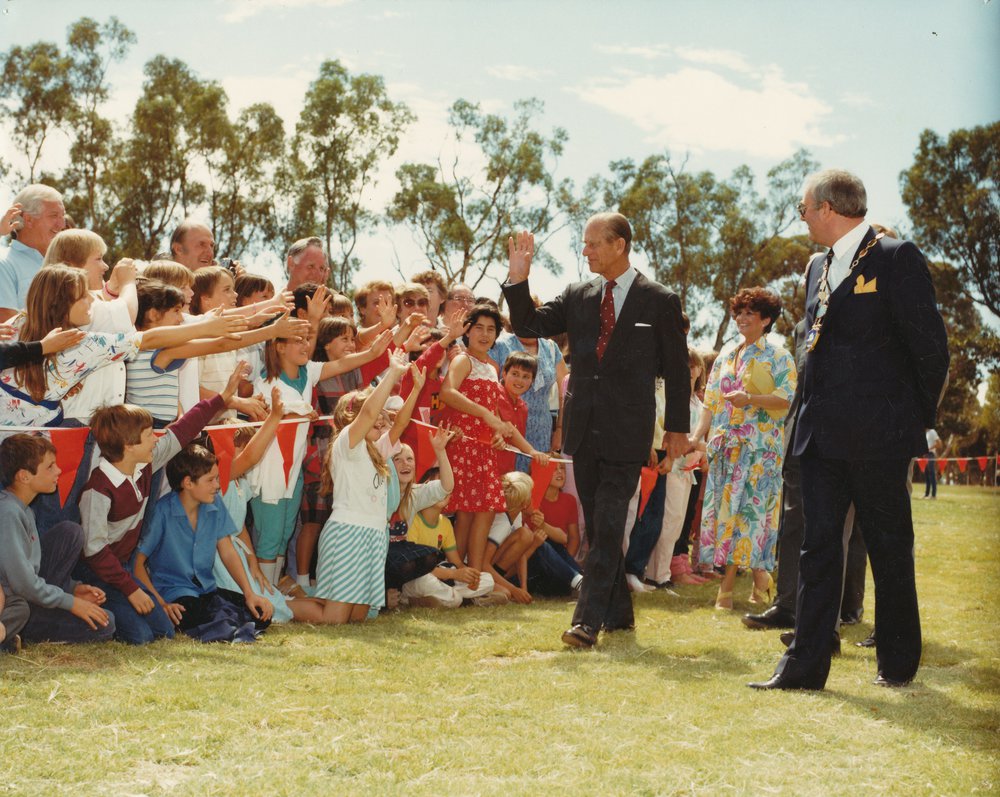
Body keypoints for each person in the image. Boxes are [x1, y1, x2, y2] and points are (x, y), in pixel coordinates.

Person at [749, 169, 949, 691]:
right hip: (819, 435)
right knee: (817, 550)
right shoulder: (817, 266)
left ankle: (898, 663)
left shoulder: (895, 257)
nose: (802, 219)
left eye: (803, 210)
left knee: (888, 548)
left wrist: (917, 422)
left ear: (828, 208)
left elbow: (931, 350)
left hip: (880, 437)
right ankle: (804, 666)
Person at [502, 214, 690, 648]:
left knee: (606, 526)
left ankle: (586, 621)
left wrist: (676, 430)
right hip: (582, 429)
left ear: (619, 244)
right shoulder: (577, 295)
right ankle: (620, 614)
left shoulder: (659, 299)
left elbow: (678, 371)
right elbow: (529, 325)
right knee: (601, 529)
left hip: (628, 432)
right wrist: (517, 279)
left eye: (592, 244)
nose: (584, 251)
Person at [76, 369, 240, 644]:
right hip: (97, 573)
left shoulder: (145, 465)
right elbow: (95, 552)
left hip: (123, 570)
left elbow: (183, 430)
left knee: (163, 630)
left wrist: (222, 399)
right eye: (149, 434)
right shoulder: (98, 490)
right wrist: (131, 590)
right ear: (129, 446)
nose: (156, 438)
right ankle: (87, 604)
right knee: (140, 637)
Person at [693, 287, 796, 610]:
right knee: (726, 516)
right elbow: (710, 401)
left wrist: (751, 399)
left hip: (760, 451)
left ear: (766, 320)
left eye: (750, 313)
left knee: (750, 516)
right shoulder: (725, 355)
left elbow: (787, 398)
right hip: (726, 449)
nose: (741, 318)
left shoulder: (779, 356)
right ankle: (760, 578)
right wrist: (698, 438)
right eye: (739, 312)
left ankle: (729, 585)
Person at [439, 304, 549, 573]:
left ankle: (474, 574)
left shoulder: (491, 367)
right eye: (479, 328)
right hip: (465, 446)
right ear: (467, 330)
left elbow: (506, 424)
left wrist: (531, 450)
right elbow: (447, 392)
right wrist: (485, 416)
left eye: (491, 329)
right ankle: (463, 575)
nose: (485, 334)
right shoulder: (462, 360)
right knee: (466, 514)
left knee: (484, 510)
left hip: (485, 449)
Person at [136, 443, 274, 642]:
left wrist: (249, 593)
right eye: (210, 480)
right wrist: (161, 604)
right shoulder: (162, 511)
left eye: (216, 478)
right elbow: (137, 562)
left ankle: (225, 623)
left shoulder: (215, 504)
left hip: (206, 591)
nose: (217, 485)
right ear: (188, 483)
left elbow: (227, 552)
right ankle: (224, 624)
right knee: (192, 611)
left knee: (259, 612)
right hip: (175, 594)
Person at [0, 434, 114, 645]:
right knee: (106, 624)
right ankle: (19, 632)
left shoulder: (23, 510)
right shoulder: (8, 512)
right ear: (24, 476)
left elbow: (35, 570)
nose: (59, 471)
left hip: (30, 598)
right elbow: (22, 583)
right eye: (50, 467)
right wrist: (71, 603)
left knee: (71, 532)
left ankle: (17, 632)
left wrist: (72, 589)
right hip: (14, 603)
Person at [0, 184, 66, 321]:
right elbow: (8, 329)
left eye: (62, 216)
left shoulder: (67, 263)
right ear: (28, 219)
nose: (62, 225)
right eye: (54, 216)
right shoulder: (4, 264)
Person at [923, 428, 942, 499]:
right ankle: (927, 494)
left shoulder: (932, 431)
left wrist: (929, 448)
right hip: (926, 455)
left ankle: (933, 495)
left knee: (932, 474)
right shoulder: (926, 433)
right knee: (927, 474)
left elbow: (939, 443)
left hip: (931, 454)